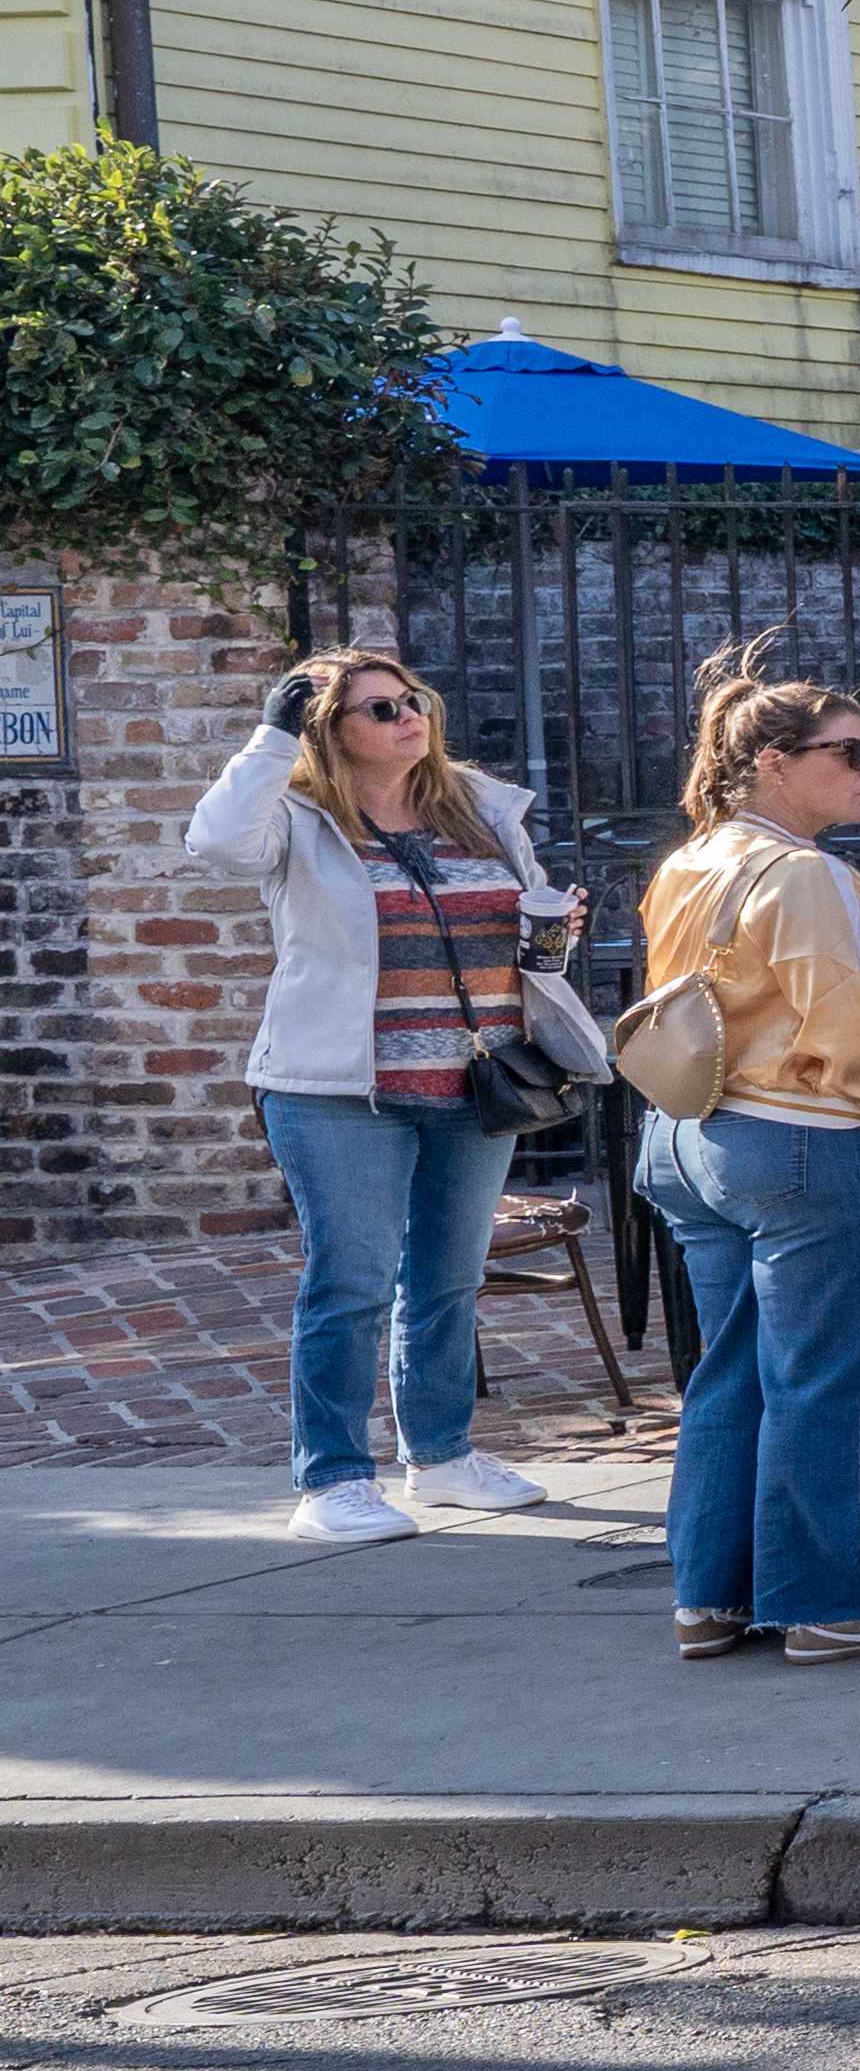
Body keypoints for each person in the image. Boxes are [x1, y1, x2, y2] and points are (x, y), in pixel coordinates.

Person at [180, 646, 606, 1544]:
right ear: (327, 730)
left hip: (480, 1080)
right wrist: (269, 733)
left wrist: (551, 935)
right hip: (340, 1088)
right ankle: (331, 1480)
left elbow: (522, 941)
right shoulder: (294, 818)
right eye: (377, 709)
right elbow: (212, 843)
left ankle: (443, 1458)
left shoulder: (481, 809)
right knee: (352, 1282)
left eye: (411, 700)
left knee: (449, 1277)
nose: (406, 716)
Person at [624, 647, 860, 1663]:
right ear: (772, 760)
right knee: (833, 1381)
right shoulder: (804, 874)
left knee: (735, 1379)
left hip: (693, 1136)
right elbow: (853, 1033)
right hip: (810, 1144)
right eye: (850, 752)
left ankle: (711, 1599)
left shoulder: (695, 857)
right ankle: (828, 1604)